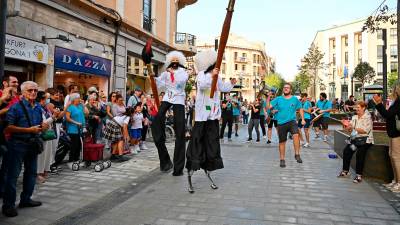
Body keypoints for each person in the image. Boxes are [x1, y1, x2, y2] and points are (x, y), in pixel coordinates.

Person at [186, 50, 236, 193]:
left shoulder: (217, 76)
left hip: (213, 116)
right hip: (202, 117)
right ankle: (191, 171)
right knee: (197, 143)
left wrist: (231, 84)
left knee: (212, 143)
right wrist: (212, 76)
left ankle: (209, 168)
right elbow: (202, 85)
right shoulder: (202, 75)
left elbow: (223, 88)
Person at [2, 81, 49, 217]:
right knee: (13, 175)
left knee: (31, 173)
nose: (33, 92)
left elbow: (39, 124)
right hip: (17, 144)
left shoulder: (38, 108)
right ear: (23, 93)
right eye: (30, 90)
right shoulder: (15, 107)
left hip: (32, 144)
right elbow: (7, 127)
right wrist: (28, 129)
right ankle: (8, 205)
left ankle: (26, 199)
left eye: (35, 90)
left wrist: (43, 126)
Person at [151, 51, 189, 176]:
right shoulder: (166, 73)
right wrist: (152, 76)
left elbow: (181, 83)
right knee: (157, 119)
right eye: (172, 61)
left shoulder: (183, 73)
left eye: (176, 61)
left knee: (180, 130)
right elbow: (158, 82)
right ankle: (165, 158)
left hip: (178, 98)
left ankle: (178, 168)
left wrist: (173, 74)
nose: (174, 63)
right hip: (168, 96)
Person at [267, 83, 305, 168]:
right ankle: (282, 160)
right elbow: (268, 107)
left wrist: (302, 119)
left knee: (296, 135)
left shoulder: (295, 99)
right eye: (284, 87)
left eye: (287, 88)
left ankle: (297, 154)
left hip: (292, 121)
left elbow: (300, 108)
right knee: (282, 142)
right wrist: (268, 97)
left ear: (290, 90)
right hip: (281, 123)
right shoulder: (278, 99)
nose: (286, 89)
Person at [373, 81, 400, 192]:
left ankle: (399, 183)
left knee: (396, 157)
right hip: (393, 133)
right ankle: (395, 180)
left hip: (397, 133)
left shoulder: (399, 102)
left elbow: (387, 115)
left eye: (393, 89)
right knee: (392, 155)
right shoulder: (396, 101)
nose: (392, 91)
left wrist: (379, 103)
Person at [338, 101, 374, 183]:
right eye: (356, 107)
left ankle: (359, 175)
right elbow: (349, 130)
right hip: (355, 140)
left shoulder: (368, 118)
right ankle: (345, 171)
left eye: (358, 107)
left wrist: (352, 127)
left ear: (363, 108)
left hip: (365, 141)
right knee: (347, 150)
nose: (356, 109)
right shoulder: (354, 117)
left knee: (360, 154)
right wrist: (345, 125)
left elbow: (364, 131)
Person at [65, 93, 86, 168]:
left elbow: (86, 113)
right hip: (73, 129)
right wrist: (76, 123)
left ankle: (76, 160)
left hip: (80, 128)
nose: (79, 99)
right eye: (78, 98)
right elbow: (67, 118)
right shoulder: (70, 107)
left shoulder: (80, 106)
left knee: (79, 145)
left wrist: (83, 105)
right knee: (74, 145)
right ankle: (70, 161)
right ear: (74, 99)